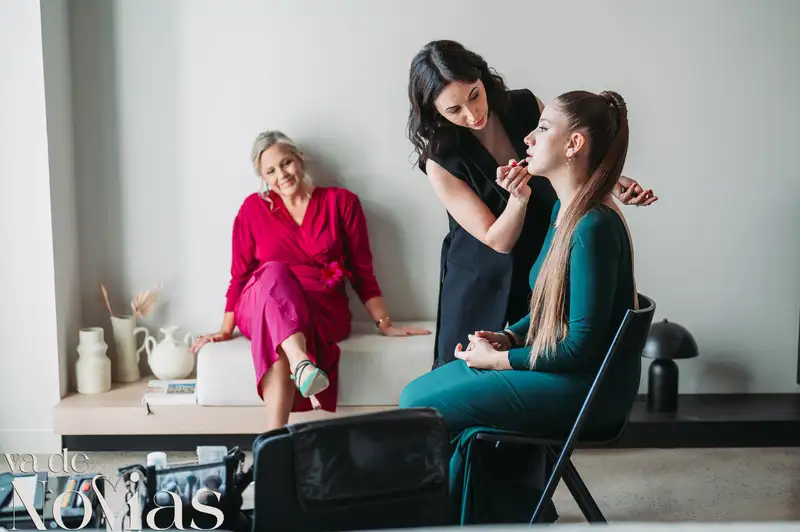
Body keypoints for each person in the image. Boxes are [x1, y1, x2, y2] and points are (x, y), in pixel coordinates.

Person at [399, 89, 640, 524]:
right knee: (418, 398)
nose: (528, 138)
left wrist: (501, 361)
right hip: (567, 374)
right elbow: (551, 308)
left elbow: (581, 348)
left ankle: (458, 513)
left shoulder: (594, 226)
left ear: (574, 145)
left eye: (543, 128)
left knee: (420, 404)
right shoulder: (568, 212)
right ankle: (470, 512)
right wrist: (509, 335)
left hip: (587, 389)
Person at [406, 40, 657, 369]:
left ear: (481, 78)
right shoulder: (440, 159)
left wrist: (610, 182)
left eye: (474, 95)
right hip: (481, 281)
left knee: (538, 366)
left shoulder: (523, 106)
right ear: (434, 112)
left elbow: (569, 157)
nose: (473, 114)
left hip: (544, 265)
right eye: (454, 110)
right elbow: (498, 241)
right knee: (458, 380)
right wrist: (517, 200)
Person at [190, 131, 429, 430]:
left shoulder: (342, 203)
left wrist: (385, 323)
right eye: (271, 171)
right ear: (263, 177)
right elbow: (239, 275)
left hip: (321, 309)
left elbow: (362, 270)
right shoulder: (252, 209)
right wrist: (225, 330)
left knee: (277, 336)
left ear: (299, 158)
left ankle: (272, 443)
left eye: (286, 162)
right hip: (262, 300)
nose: (282, 175)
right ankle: (301, 363)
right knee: (274, 273)